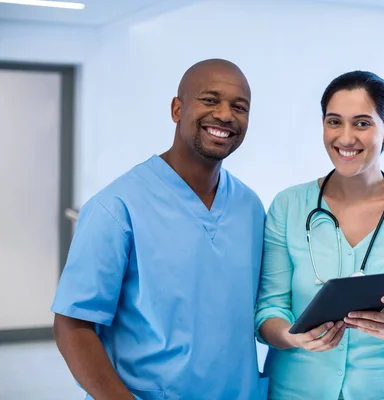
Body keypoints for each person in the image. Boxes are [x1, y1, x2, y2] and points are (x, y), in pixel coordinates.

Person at [51, 59, 268, 400]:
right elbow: (72, 326)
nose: (225, 115)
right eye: (210, 100)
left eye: (239, 107)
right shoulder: (117, 207)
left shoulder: (250, 207)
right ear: (177, 109)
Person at [254, 70, 384, 399]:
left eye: (362, 123)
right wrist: (294, 336)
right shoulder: (288, 206)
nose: (345, 137)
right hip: (296, 390)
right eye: (334, 121)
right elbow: (269, 311)